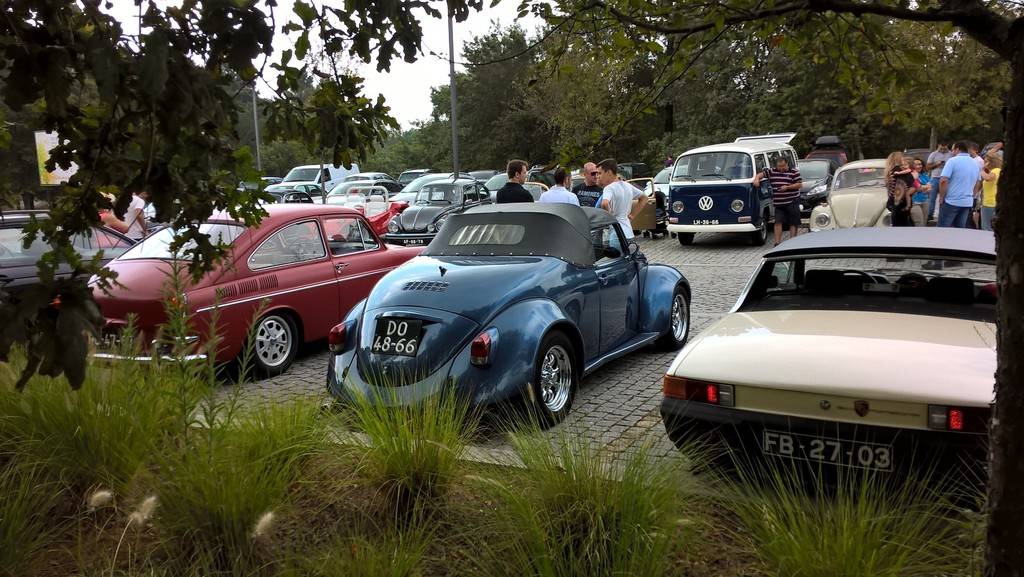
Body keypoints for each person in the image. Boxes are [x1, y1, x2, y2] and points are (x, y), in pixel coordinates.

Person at [752, 154, 802, 246]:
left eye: (783, 166)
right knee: (778, 222)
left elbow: (799, 185)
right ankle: (777, 243)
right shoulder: (772, 172)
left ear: (787, 164)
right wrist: (756, 179)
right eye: (779, 166)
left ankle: (792, 243)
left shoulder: (794, 172)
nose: (781, 168)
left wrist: (787, 187)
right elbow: (760, 174)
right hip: (779, 203)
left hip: (792, 201)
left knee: (793, 223)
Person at [937, 141, 981, 228]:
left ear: (957, 149)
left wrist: (941, 197)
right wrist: (972, 195)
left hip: (951, 200)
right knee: (960, 229)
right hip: (966, 202)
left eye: (953, 150)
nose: (952, 152)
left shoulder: (952, 161)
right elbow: (978, 182)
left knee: (943, 228)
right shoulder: (975, 163)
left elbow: (943, 180)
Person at [597, 158, 644, 240]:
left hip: (616, 233)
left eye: (600, 173)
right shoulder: (627, 185)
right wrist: (632, 215)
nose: (598, 176)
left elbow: (604, 203)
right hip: (628, 232)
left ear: (609, 172)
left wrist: (609, 218)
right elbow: (644, 198)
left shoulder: (609, 188)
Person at [885, 152, 914, 227]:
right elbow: (908, 183)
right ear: (898, 159)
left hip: (895, 206)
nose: (904, 160)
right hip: (901, 207)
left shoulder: (890, 172)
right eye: (902, 158)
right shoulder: (899, 171)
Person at [925, 142, 951, 222]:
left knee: (944, 198)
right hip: (935, 178)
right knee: (932, 198)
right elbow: (927, 167)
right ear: (938, 146)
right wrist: (936, 164)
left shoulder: (951, 154)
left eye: (944, 149)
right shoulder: (933, 154)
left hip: (946, 178)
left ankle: (942, 215)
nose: (943, 150)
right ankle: (930, 215)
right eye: (941, 148)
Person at [980, 152, 1001, 231]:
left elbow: (988, 178)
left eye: (986, 161)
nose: (984, 163)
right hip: (993, 202)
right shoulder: (998, 170)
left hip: (989, 203)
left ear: (990, 162)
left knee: (987, 227)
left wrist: (982, 170)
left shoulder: (995, 171)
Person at [910, 158, 932, 227]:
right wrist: (925, 187)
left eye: (920, 164)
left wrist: (923, 187)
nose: (919, 166)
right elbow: (918, 188)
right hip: (914, 203)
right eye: (916, 165)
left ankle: (923, 237)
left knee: (925, 223)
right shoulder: (910, 175)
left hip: (925, 201)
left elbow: (930, 187)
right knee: (919, 224)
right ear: (912, 166)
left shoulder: (924, 175)